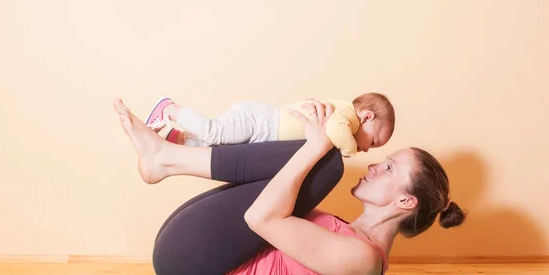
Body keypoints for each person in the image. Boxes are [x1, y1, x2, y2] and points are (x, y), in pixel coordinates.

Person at [113, 97, 466, 275]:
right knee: (321, 161)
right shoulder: (347, 233)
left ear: (406, 200)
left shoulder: (365, 260)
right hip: (194, 257)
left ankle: (169, 158)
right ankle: (169, 157)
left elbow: (259, 217)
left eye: (389, 167)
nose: (373, 164)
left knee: (326, 163)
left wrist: (316, 146)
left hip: (198, 274)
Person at [144, 92, 395, 157]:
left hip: (262, 134)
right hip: (259, 121)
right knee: (213, 131)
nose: (367, 148)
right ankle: (169, 108)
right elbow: (336, 130)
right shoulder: (347, 116)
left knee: (215, 147)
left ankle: (176, 138)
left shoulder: (347, 117)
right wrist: (349, 150)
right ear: (367, 118)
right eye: (373, 142)